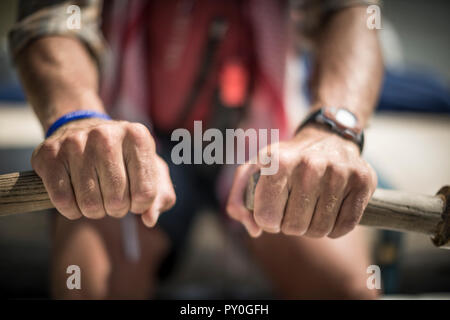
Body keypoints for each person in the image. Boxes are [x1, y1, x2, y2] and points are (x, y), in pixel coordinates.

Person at [9, 0, 382, 299]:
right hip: (128, 134)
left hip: (265, 136)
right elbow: (52, 15)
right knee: (89, 291)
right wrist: (77, 120)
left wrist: (333, 130)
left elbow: (352, 11)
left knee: (347, 290)